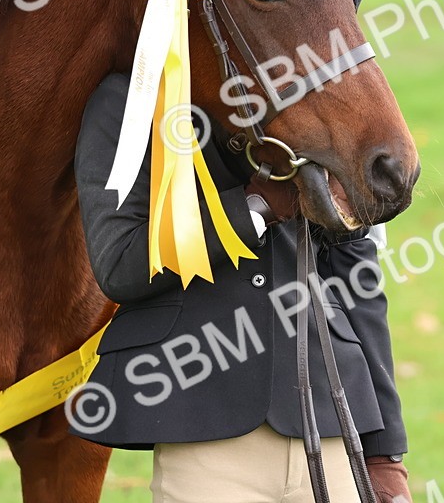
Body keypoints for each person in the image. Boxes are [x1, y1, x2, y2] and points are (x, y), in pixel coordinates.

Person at [73, 83, 413, 503]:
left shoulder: (316, 89)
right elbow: (120, 262)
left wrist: (385, 453)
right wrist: (254, 207)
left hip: (335, 432)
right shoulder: (131, 98)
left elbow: (356, 280)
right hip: (204, 434)